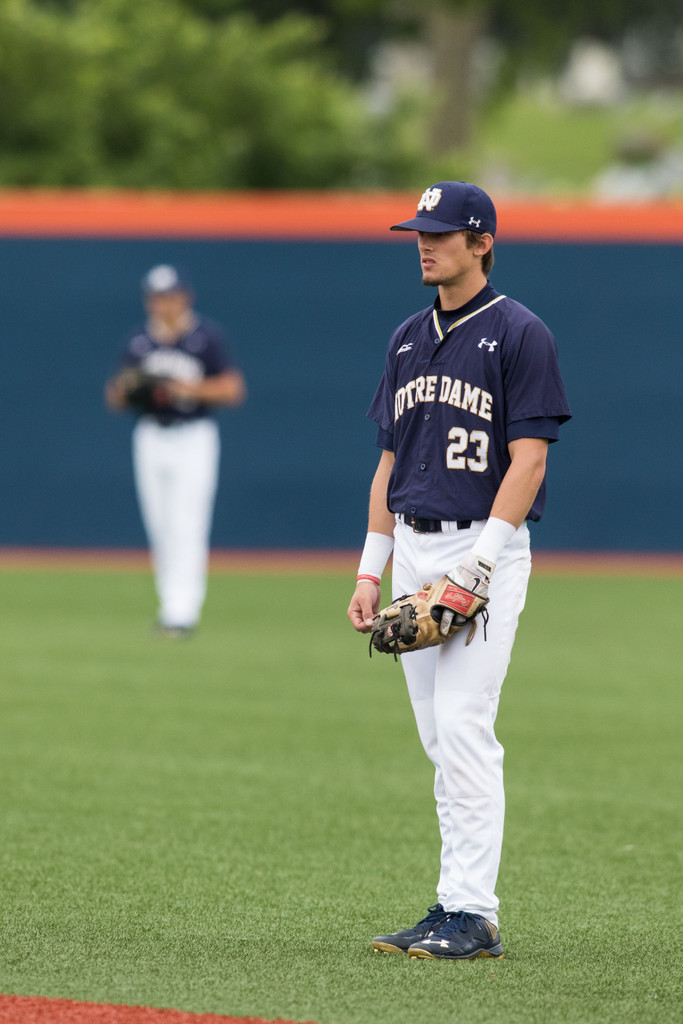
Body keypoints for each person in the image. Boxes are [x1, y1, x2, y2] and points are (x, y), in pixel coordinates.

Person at [347, 182, 571, 960]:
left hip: (484, 545)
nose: (424, 242)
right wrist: (370, 572)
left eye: (442, 232)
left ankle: (473, 914)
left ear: (481, 242)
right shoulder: (407, 336)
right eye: (419, 231)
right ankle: (448, 903)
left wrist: (478, 565)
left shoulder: (518, 332)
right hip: (411, 544)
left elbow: (530, 459)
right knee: (439, 739)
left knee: (466, 728)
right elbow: (387, 464)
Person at [105, 264, 246, 637]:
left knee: (188, 521)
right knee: (159, 523)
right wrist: (130, 388)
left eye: (169, 296)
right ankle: (170, 605)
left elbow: (233, 389)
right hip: (151, 433)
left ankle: (183, 612)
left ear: (185, 297)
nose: (163, 303)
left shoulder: (205, 338)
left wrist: (187, 389)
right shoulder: (139, 342)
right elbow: (115, 397)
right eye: (156, 296)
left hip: (193, 435)